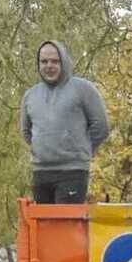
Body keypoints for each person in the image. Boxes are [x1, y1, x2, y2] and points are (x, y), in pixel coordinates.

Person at [20, 40, 109, 204]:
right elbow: (26, 132)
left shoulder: (83, 89)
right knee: (44, 229)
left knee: (65, 229)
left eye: (55, 61)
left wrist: (81, 148)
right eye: (44, 61)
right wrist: (43, 148)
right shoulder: (30, 95)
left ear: (64, 61)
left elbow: (101, 127)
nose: (49, 66)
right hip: (40, 173)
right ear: (38, 64)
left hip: (73, 172)